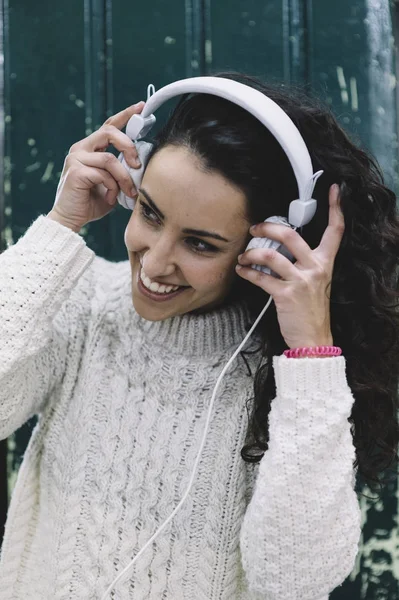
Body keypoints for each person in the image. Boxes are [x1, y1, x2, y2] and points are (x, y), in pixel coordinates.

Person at [0, 72, 398, 600]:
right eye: (149, 212)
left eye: (202, 244)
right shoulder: (83, 304)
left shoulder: (293, 379)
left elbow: (293, 581)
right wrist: (60, 224)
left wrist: (309, 357)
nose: (156, 262)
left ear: (273, 246)